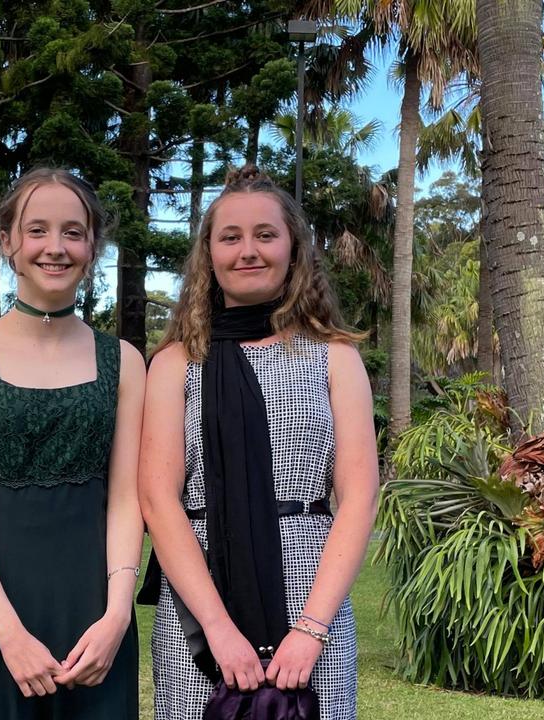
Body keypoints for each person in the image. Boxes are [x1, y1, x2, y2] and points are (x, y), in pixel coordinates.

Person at [138, 165, 380, 720]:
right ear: (209, 254)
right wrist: (219, 630)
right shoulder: (175, 363)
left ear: (293, 250)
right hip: (201, 606)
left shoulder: (335, 357)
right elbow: (158, 501)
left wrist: (311, 629)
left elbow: (359, 498)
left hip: (311, 599)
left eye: (265, 235)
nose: (248, 251)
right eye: (231, 237)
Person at [0, 167, 145, 720]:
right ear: (7, 244)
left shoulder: (125, 362)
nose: (55, 247)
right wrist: (9, 633)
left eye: (73, 231)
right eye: (38, 229)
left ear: (93, 244)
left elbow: (125, 501)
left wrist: (118, 614)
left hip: (95, 621)